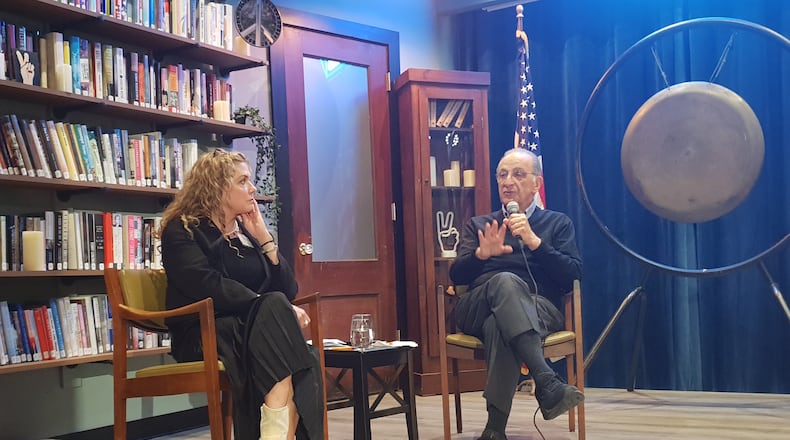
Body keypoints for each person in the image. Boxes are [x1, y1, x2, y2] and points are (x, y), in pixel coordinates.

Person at [157, 149, 324, 440]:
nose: (253, 187)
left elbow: (287, 290)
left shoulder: (245, 233)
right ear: (218, 187)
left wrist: (264, 238)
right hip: (206, 332)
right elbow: (206, 284)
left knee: (299, 349)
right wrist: (265, 305)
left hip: (253, 329)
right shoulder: (183, 230)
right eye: (243, 181)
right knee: (298, 354)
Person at [449, 148, 584, 440]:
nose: (508, 181)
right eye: (502, 175)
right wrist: (480, 255)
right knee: (505, 282)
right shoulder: (479, 225)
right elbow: (456, 276)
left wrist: (536, 242)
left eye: (518, 174)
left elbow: (572, 274)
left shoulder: (557, 224)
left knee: (501, 324)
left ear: (537, 183)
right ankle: (544, 377)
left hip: (539, 307)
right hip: (478, 304)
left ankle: (494, 429)